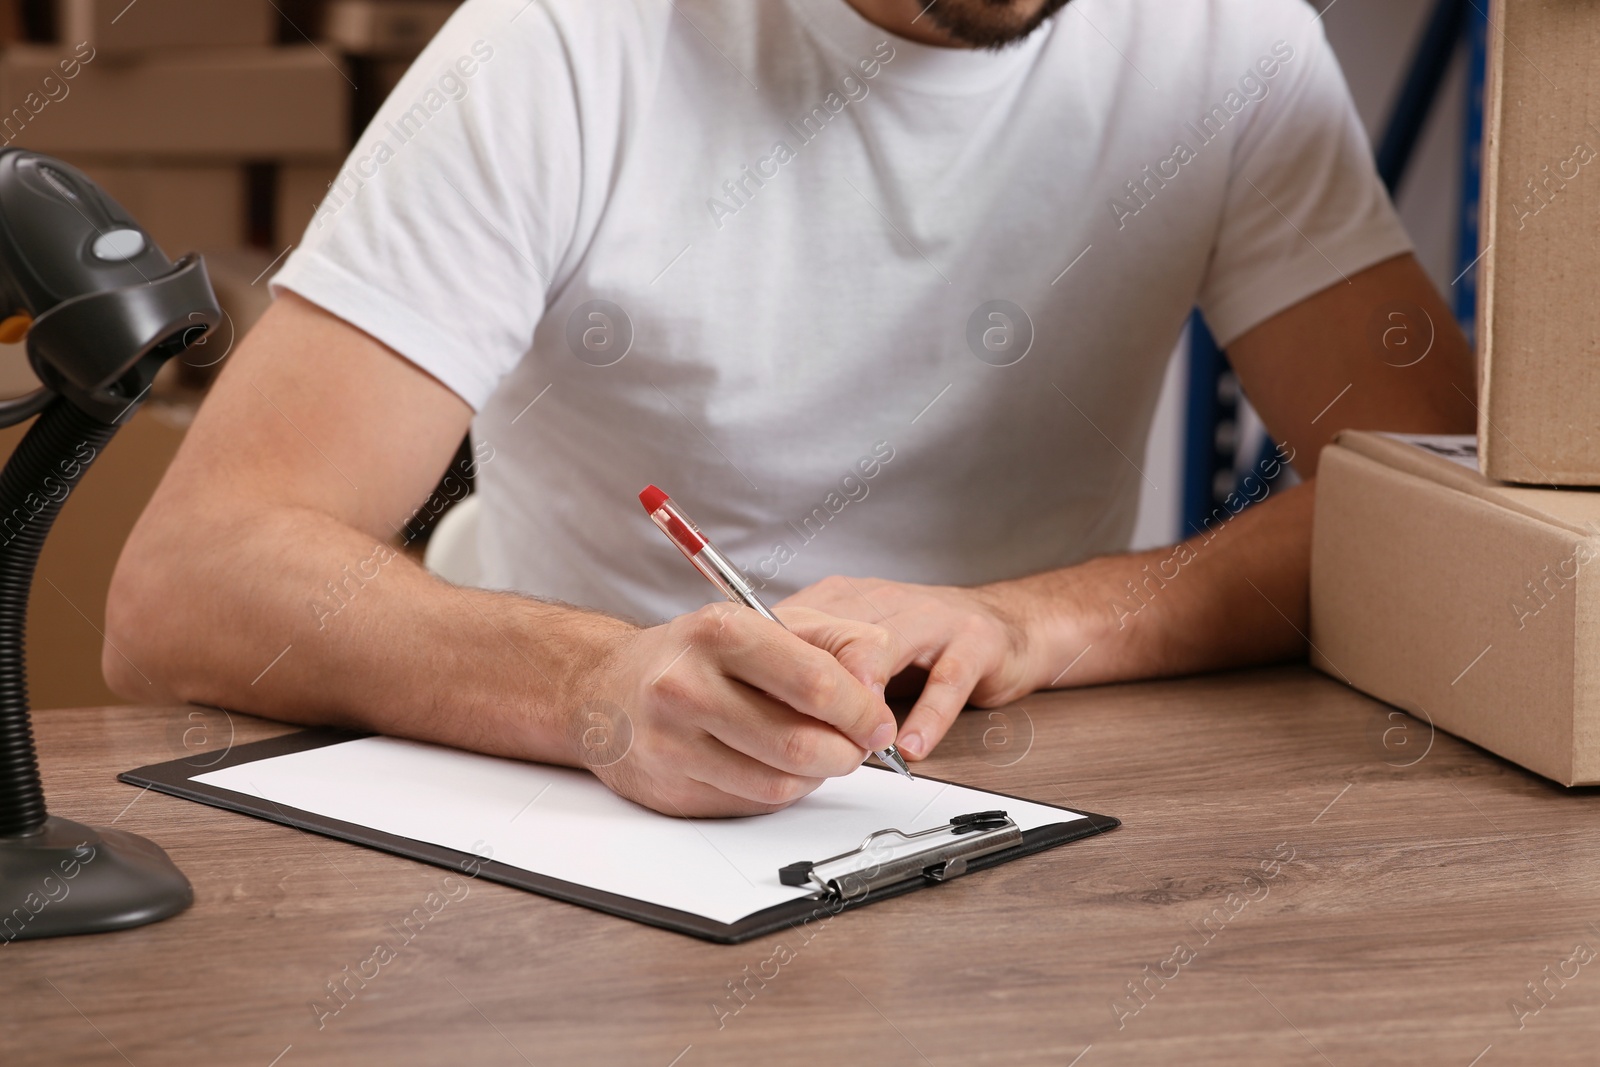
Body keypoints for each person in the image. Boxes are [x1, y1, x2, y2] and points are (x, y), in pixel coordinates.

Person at [105, 0, 1475, 816]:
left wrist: (1042, 620)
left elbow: (1440, 503)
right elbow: (189, 584)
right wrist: (591, 683)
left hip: (1008, 797)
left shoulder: (1222, 37)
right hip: (565, 796)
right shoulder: (559, 45)